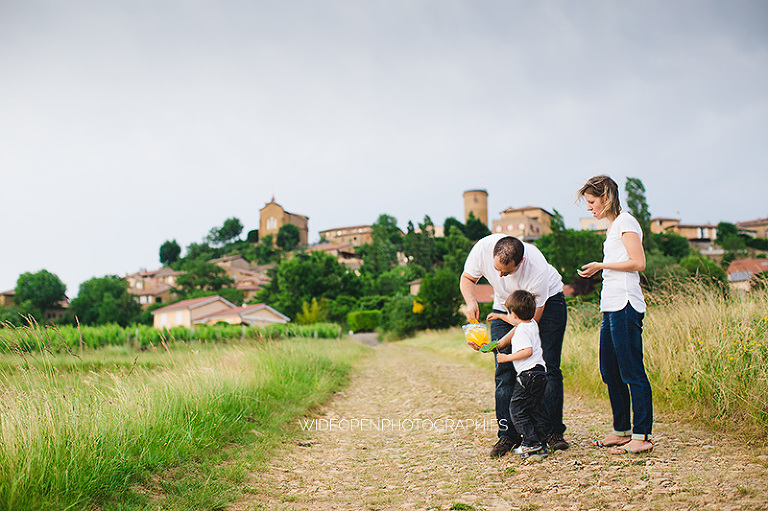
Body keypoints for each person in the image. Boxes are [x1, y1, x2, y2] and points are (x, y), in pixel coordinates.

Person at [460, 233, 568, 458]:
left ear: (520, 262)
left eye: (506, 272)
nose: (499, 275)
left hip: (545, 305)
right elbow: (468, 278)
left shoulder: (536, 269)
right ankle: (508, 434)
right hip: (504, 307)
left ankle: (551, 432)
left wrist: (503, 343)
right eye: (496, 269)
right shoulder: (482, 248)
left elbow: (528, 324)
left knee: (546, 367)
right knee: (504, 371)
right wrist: (471, 303)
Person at [577, 175, 654, 455]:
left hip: (625, 304)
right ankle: (622, 431)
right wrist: (601, 267)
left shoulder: (626, 222)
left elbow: (639, 262)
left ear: (606, 198)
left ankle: (642, 434)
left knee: (631, 369)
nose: (589, 208)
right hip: (609, 306)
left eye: (592, 202)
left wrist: (601, 264)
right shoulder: (612, 228)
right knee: (610, 370)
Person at [495, 290, 549, 459]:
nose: (508, 316)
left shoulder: (522, 331)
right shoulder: (531, 323)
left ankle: (530, 442)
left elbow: (527, 351)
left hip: (528, 375)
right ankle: (540, 445)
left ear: (515, 315)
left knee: (516, 409)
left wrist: (506, 358)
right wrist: (498, 316)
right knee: (534, 409)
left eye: (508, 313)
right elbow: (516, 320)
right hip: (540, 373)